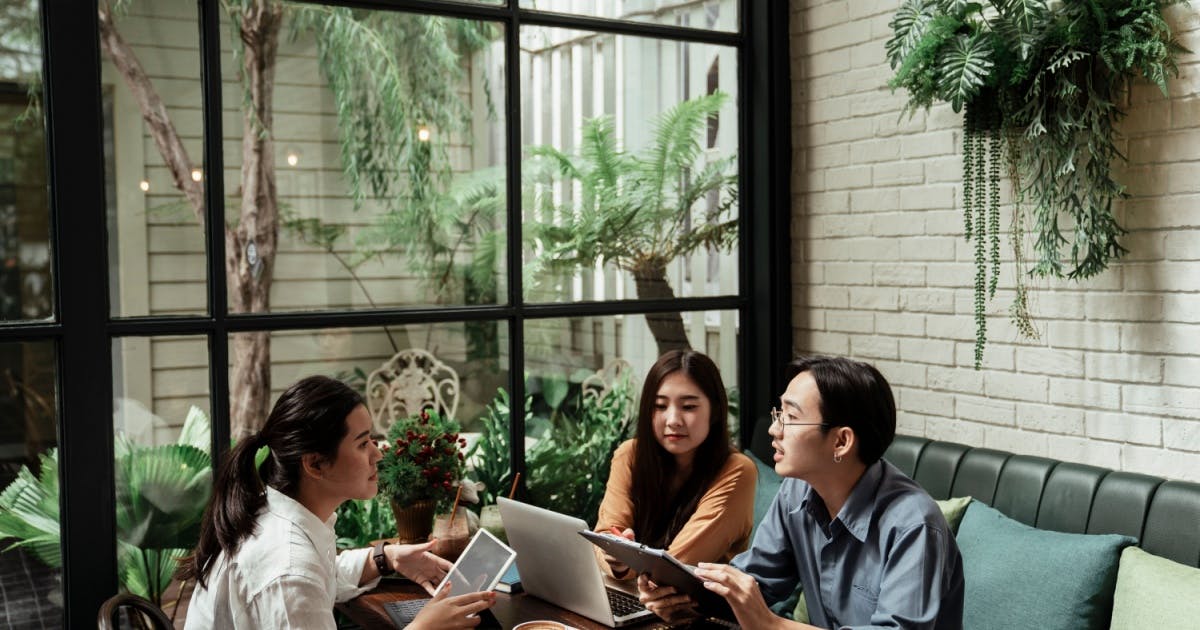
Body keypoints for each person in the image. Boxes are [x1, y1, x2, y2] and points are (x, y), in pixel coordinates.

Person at [637, 356, 964, 629]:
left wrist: (772, 625)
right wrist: (682, 598)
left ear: (841, 441)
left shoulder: (915, 527)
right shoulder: (797, 492)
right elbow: (754, 584)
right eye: (779, 413)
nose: (773, 429)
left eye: (791, 418)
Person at [180, 375, 494, 629]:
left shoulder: (278, 512)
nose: (378, 454)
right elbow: (303, 580)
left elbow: (322, 576)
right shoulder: (289, 570)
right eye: (362, 444)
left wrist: (385, 559)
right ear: (315, 464)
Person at [594, 349, 757, 579]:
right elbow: (606, 537)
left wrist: (627, 561)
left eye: (689, 407)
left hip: (692, 607)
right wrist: (617, 562)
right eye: (660, 406)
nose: (673, 421)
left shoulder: (737, 470)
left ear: (716, 411)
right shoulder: (630, 454)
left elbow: (672, 568)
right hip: (626, 594)